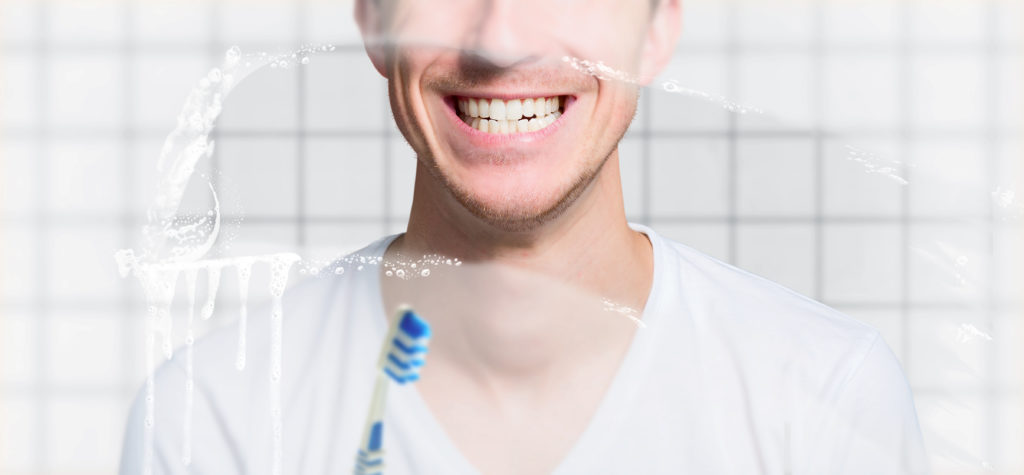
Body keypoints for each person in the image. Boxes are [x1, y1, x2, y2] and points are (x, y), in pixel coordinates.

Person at [120, 0, 930, 473]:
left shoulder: (825, 408)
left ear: (658, 28)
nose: (501, 39)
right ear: (371, 17)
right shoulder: (212, 426)